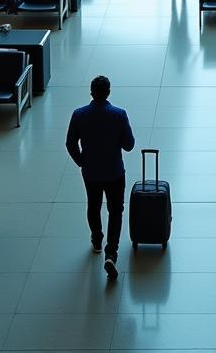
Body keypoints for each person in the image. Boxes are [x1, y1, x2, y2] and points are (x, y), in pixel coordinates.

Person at [65, 75, 136, 280]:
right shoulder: (119, 115)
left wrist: (81, 162)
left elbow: (70, 143)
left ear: (91, 92)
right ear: (109, 92)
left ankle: (97, 240)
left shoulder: (79, 115)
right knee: (115, 211)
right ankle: (111, 253)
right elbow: (129, 145)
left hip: (91, 172)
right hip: (114, 172)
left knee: (93, 205)